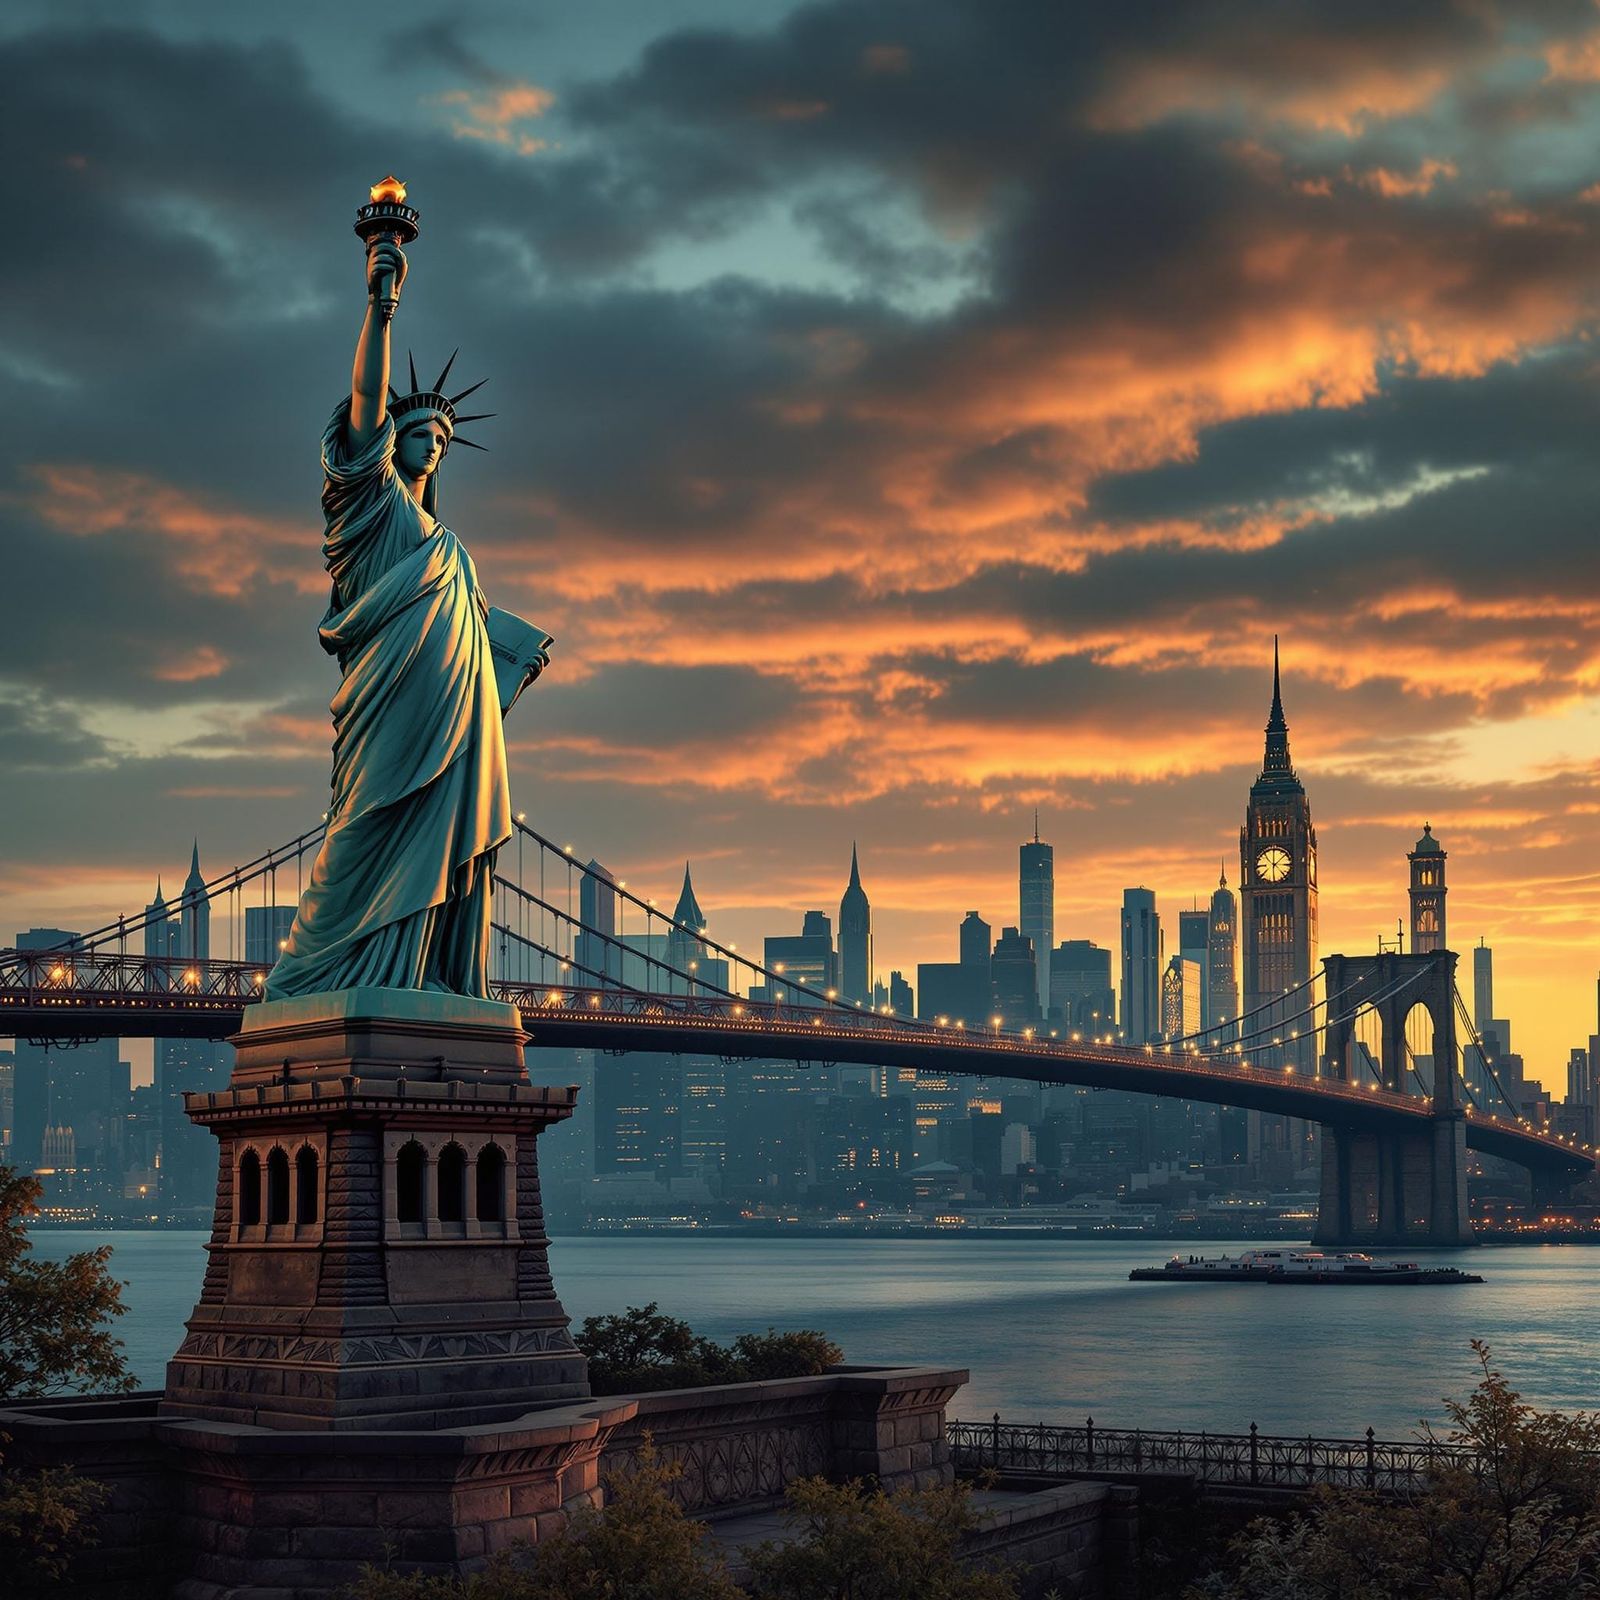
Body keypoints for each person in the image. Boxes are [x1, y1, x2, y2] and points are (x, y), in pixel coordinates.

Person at [266, 235, 510, 999]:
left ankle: (425, 974)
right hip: (388, 715)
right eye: (420, 434)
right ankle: (316, 975)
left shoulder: (449, 546)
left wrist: (504, 668)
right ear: (386, 444)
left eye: (443, 440)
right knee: (364, 830)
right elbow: (368, 402)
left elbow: (462, 649)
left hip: (454, 724)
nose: (433, 447)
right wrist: (382, 303)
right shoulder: (368, 507)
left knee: (441, 841)